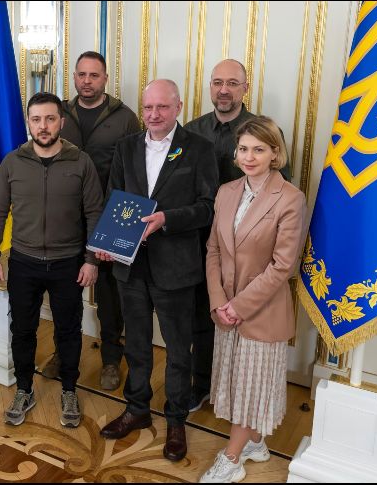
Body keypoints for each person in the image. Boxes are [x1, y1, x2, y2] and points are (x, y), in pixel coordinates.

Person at [97, 79, 219, 462]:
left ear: (178, 107)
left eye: (162, 108)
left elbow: (208, 207)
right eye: (148, 107)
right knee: (135, 344)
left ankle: (177, 418)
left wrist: (167, 218)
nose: (153, 115)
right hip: (129, 267)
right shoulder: (127, 147)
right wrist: (107, 240)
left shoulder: (200, 149)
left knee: (179, 349)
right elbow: (113, 198)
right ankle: (136, 409)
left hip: (176, 268)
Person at [0, 92, 104, 428]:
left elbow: (95, 212)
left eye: (50, 118)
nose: (43, 126)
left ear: (61, 122)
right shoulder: (12, 162)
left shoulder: (81, 162)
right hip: (23, 262)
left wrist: (91, 259)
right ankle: (24, 389)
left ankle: (69, 389)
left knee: (68, 330)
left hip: (69, 263)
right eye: (36, 119)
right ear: (28, 122)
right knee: (22, 330)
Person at [199, 116, 306, 482]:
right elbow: (212, 249)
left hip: (260, 312)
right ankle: (256, 443)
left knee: (247, 391)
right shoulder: (226, 191)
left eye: (259, 149)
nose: (249, 156)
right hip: (224, 309)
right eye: (243, 149)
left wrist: (239, 306)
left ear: (275, 154)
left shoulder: (290, 198)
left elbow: (283, 266)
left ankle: (231, 459)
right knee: (234, 384)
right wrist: (218, 301)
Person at [183, 58, 291, 413]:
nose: (224, 89)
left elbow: (278, 196)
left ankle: (238, 405)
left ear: (245, 88)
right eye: (217, 82)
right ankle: (203, 387)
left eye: (232, 83)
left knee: (239, 328)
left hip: (249, 256)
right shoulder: (191, 130)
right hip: (200, 244)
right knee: (201, 319)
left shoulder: (261, 131)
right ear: (210, 87)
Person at [40, 51, 140, 390]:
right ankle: (61, 353)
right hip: (67, 217)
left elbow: (134, 173)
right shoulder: (59, 114)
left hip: (110, 218)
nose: (86, 81)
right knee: (64, 293)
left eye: (94, 75)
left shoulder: (125, 118)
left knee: (111, 297)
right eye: (81, 75)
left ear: (105, 79)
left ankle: (112, 359)